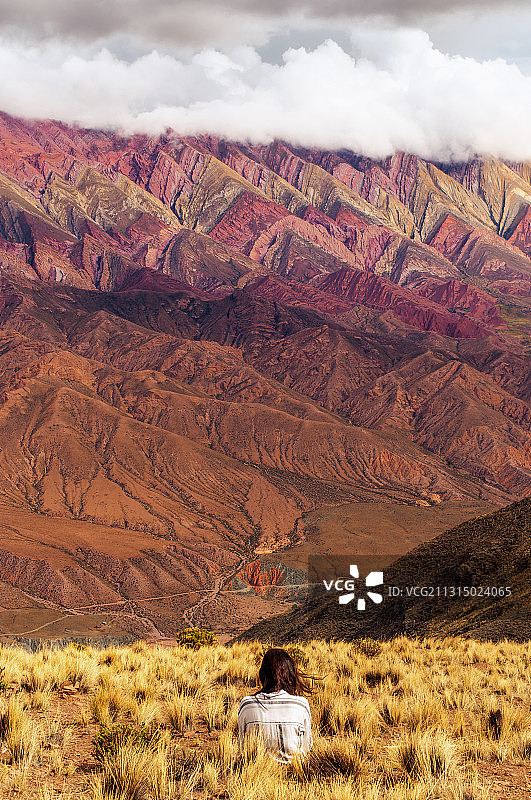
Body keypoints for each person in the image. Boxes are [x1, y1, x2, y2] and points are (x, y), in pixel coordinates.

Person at [237, 647, 314, 764]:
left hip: (256, 771)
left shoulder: (247, 704)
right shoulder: (301, 704)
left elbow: (242, 746)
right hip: (294, 771)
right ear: (290, 673)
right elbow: (306, 747)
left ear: (263, 673)